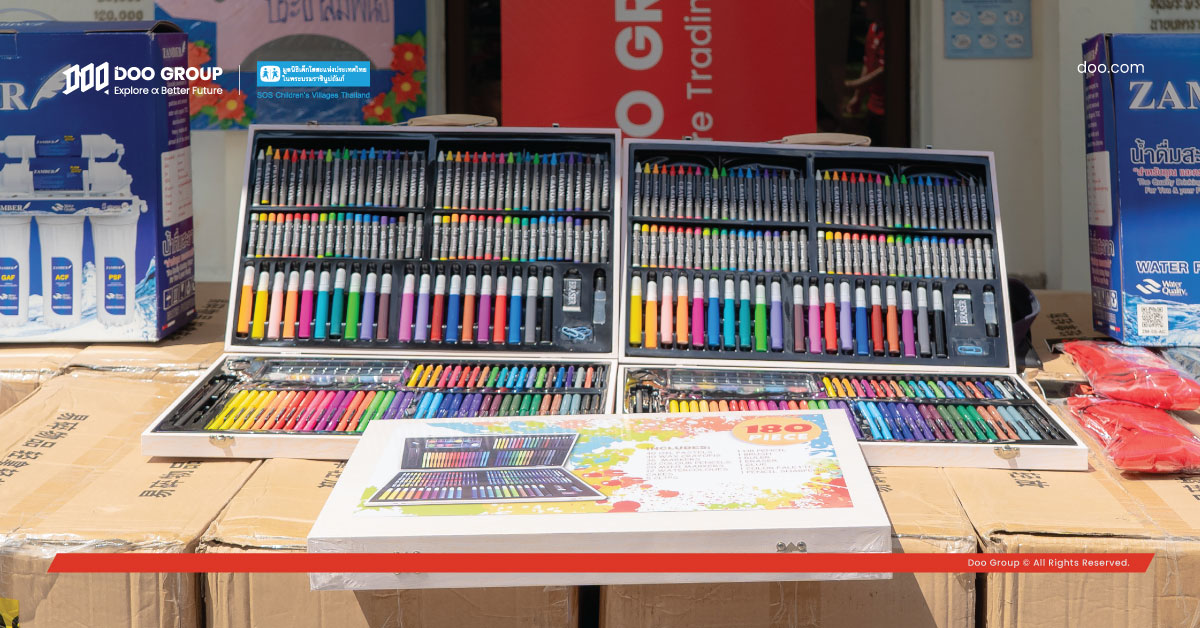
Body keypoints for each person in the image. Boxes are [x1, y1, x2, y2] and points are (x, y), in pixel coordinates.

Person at [844, 1, 886, 142]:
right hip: (873, 106)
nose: (862, 4)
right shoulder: (872, 29)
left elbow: (883, 70)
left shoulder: (889, 32)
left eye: (867, 1)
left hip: (886, 109)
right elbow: (868, 64)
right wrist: (858, 97)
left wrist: (852, 84)